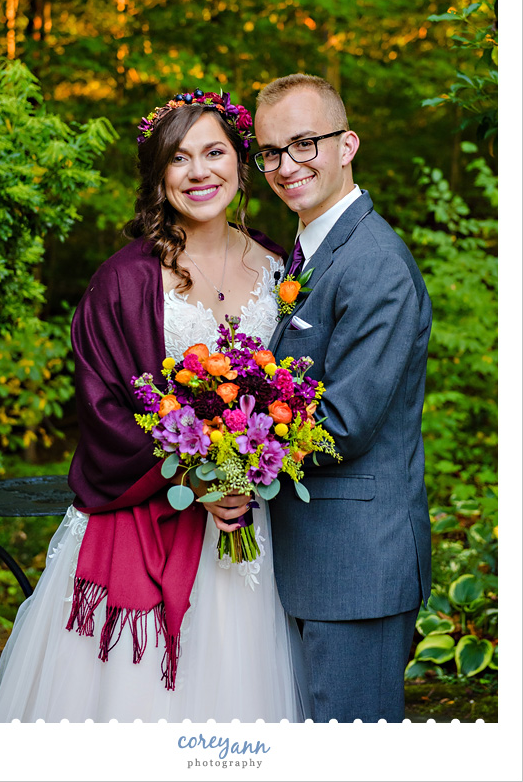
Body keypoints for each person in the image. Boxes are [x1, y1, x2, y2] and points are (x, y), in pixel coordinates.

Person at [0, 89, 307, 723]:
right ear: (159, 176)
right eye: (179, 159)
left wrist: (249, 466)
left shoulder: (281, 267)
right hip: (155, 510)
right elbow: (101, 409)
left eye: (214, 152)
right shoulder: (124, 280)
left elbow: (292, 392)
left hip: (252, 527)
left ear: (242, 162)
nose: (199, 171)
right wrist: (200, 477)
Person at [251, 73, 432, 723]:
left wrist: (235, 454)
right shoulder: (310, 253)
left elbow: (344, 422)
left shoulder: (375, 264)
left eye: (304, 144)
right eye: (270, 152)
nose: (285, 166)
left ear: (347, 143)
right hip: (316, 559)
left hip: (355, 567)